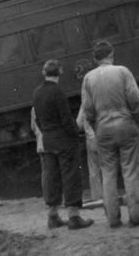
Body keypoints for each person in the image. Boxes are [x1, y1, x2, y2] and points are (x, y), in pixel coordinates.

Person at [81, 40, 139, 228]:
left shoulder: (88, 78)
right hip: (126, 123)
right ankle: (136, 217)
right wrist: (135, 120)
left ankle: (113, 219)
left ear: (95, 59)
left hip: (103, 128)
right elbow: (135, 99)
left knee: (108, 174)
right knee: (131, 171)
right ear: (111, 55)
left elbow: (88, 109)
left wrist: (97, 127)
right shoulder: (122, 71)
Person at [32, 59, 94, 230]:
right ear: (60, 72)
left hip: (48, 140)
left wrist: (47, 133)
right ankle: (74, 217)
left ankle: (53, 217)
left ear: (44, 73)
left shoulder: (37, 93)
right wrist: (75, 134)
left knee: (52, 177)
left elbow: (38, 119)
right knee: (70, 176)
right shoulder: (58, 92)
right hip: (64, 141)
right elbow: (66, 119)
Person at [75, 105, 103, 202]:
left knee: (94, 169)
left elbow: (78, 123)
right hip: (105, 137)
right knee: (108, 168)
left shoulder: (85, 104)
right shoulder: (103, 99)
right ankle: (110, 194)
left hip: (91, 139)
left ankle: (97, 196)